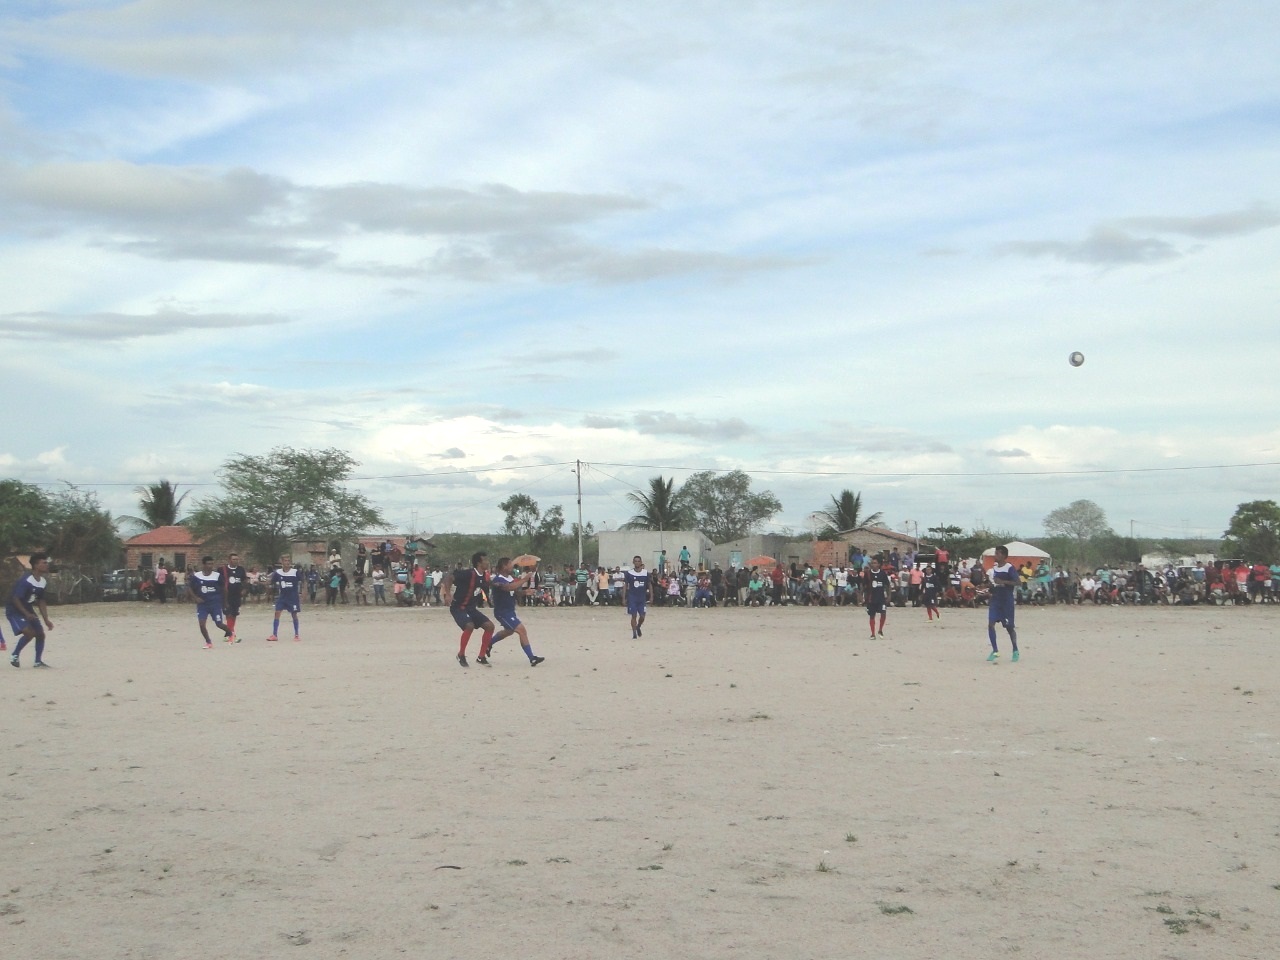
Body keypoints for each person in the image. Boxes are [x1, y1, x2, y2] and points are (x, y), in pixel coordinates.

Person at [483, 557, 545, 666]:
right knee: (521, 630)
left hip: (510, 611)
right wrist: (525, 579)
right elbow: (508, 588)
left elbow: (515, 591)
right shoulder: (498, 580)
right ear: (504, 566)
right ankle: (532, 658)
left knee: (509, 631)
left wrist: (525, 592)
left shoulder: (510, 578)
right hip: (502, 612)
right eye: (510, 564)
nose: (512, 566)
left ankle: (488, 643)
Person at [441, 551, 494, 668]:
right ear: (479, 563)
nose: (488, 562)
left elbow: (486, 587)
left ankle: (481, 657)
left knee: (490, 626)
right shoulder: (468, 574)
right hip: (458, 607)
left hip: (471, 609)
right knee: (469, 626)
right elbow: (449, 577)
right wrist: (448, 594)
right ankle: (461, 654)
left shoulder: (484, 576)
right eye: (485, 560)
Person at [8, 553, 54, 668]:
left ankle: (38, 662)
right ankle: (14, 655)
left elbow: (41, 601)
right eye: (44, 563)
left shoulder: (42, 581)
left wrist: (46, 619)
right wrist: (26, 613)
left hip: (27, 609)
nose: (46, 565)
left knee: (40, 634)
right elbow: (15, 598)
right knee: (29, 633)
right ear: (35, 565)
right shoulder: (26, 580)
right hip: (15, 610)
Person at [187, 556, 234, 648]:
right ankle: (208, 642)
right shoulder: (197, 576)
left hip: (215, 604)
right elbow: (189, 588)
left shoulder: (217, 576)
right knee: (201, 624)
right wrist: (195, 598)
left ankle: (230, 633)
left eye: (212, 564)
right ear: (203, 564)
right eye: (208, 564)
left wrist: (225, 603)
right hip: (202, 604)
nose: (210, 566)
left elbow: (224, 590)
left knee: (219, 624)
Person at [987, 545, 1020, 662]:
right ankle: (995, 651)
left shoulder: (1009, 567)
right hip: (996, 600)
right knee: (990, 624)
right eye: (995, 553)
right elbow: (996, 583)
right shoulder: (994, 568)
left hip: (1007, 601)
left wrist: (1003, 582)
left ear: (1004, 556)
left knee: (1009, 627)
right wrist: (990, 587)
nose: (995, 555)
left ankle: (1015, 649)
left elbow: (1018, 582)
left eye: (997, 553)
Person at [269, 555, 303, 642]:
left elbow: (303, 581)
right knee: (277, 612)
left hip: (293, 597)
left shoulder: (295, 572)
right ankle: (274, 634)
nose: (287, 563)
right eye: (285, 561)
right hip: (282, 596)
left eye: (288, 561)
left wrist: (303, 593)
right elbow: (271, 582)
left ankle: (296, 634)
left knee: (294, 614)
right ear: (282, 562)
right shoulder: (278, 572)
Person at [219, 552, 248, 643]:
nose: (236, 561)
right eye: (234, 559)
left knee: (234, 614)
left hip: (237, 595)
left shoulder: (241, 569)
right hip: (226, 596)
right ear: (229, 560)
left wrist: (244, 589)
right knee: (228, 614)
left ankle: (228, 634)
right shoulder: (222, 570)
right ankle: (231, 634)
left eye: (237, 559)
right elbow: (218, 581)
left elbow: (244, 580)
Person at [864, 556, 891, 639]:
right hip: (871, 598)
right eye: (872, 563)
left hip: (881, 598)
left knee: (883, 613)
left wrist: (889, 596)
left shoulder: (882, 573)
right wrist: (863, 597)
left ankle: (880, 630)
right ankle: (872, 634)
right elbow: (864, 586)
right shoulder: (868, 573)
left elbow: (887, 585)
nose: (873, 564)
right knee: (872, 616)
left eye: (875, 563)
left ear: (879, 564)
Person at [624, 554, 650, 638]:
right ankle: (634, 633)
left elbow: (649, 585)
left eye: (639, 561)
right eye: (635, 561)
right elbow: (625, 585)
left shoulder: (645, 573)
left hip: (642, 598)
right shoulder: (629, 573)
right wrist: (624, 597)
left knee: (642, 616)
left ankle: (638, 626)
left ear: (641, 562)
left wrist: (652, 596)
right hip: (632, 597)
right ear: (633, 562)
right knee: (633, 615)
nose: (637, 563)